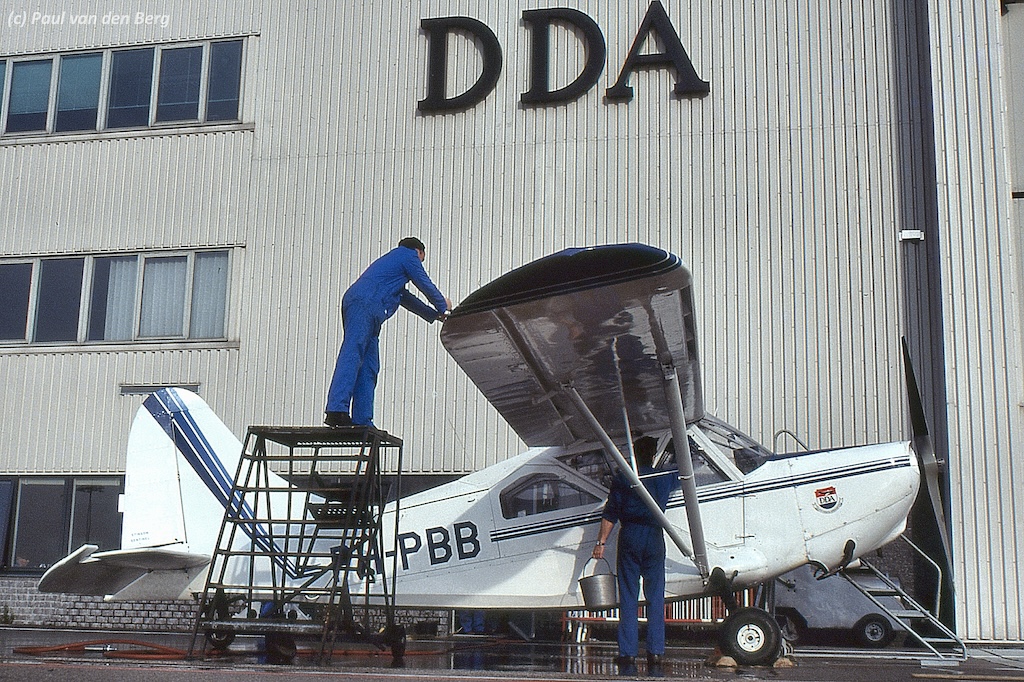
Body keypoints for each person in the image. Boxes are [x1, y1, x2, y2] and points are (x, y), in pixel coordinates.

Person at [325, 237, 451, 427]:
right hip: (364, 305)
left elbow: (406, 298)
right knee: (353, 353)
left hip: (368, 310)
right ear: (420, 252)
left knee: (369, 365)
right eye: (422, 259)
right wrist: (444, 308)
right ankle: (336, 409)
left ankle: (362, 419)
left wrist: (434, 315)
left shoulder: (392, 270)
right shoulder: (407, 255)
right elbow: (424, 283)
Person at [592, 436, 677, 677]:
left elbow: (610, 514)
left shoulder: (623, 479)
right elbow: (680, 473)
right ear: (652, 455)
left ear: (634, 455)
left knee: (629, 595)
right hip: (654, 535)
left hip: (630, 535)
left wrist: (601, 543)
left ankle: (628, 651)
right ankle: (656, 651)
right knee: (655, 596)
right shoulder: (662, 478)